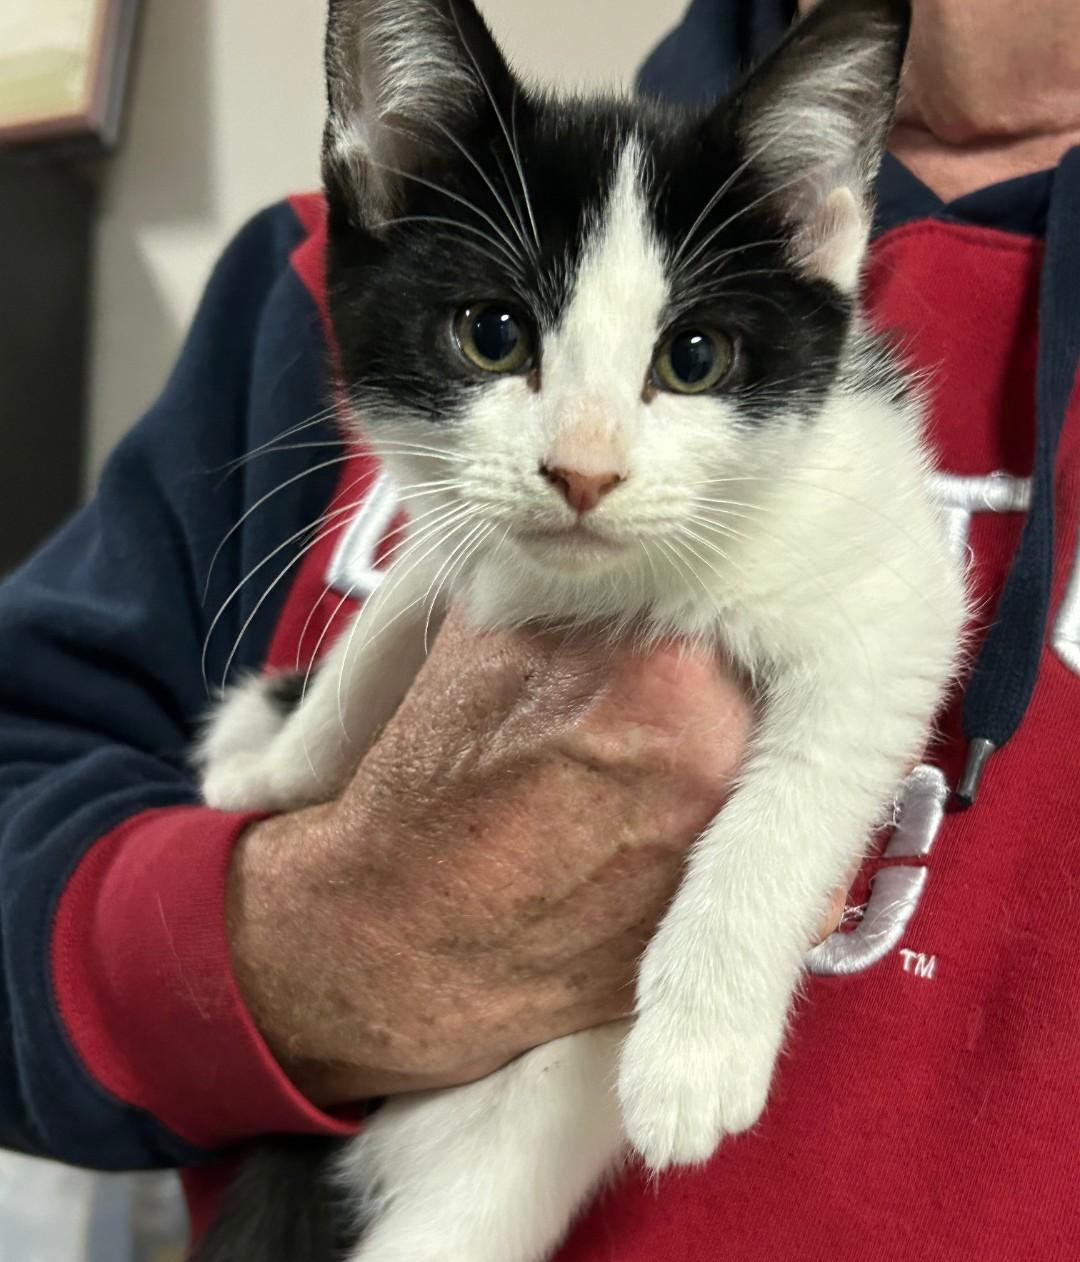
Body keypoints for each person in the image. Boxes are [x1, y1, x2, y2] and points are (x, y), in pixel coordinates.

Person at [0, 0, 1077, 1257]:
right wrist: (302, 933)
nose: (585, 467)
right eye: (496, 338)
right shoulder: (297, 280)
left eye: (688, 360)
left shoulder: (806, 407)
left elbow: (888, 645)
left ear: (820, 222)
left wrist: (713, 970)